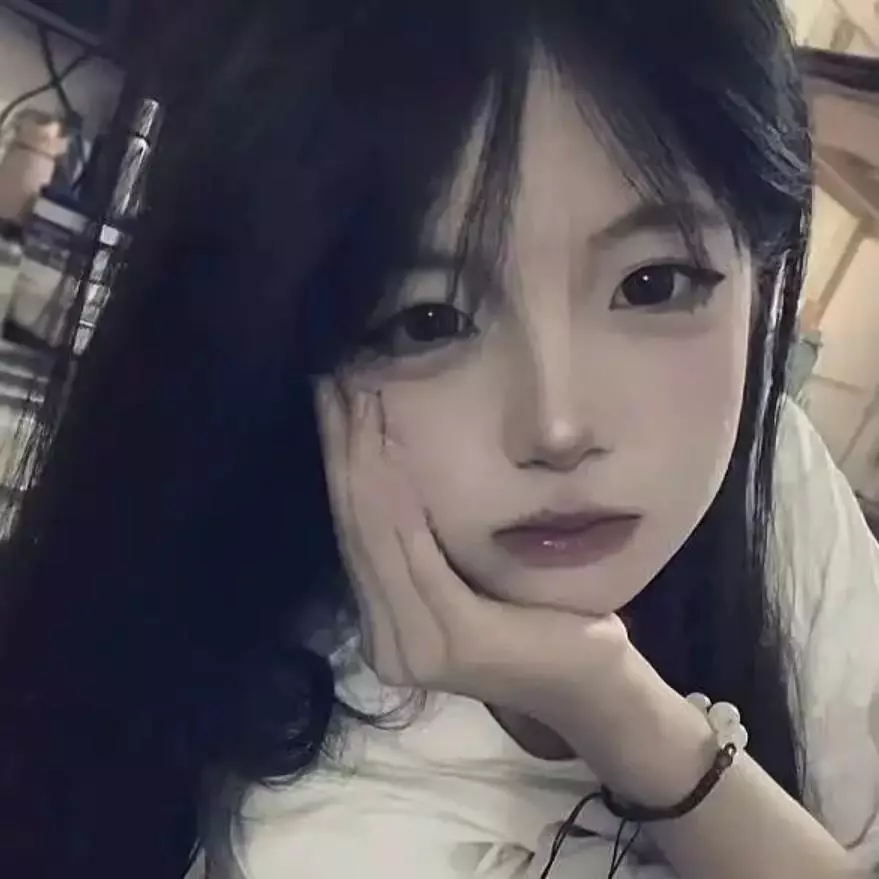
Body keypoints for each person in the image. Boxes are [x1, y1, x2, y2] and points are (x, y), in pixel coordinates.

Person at [0, 1, 878, 877]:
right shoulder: (321, 825)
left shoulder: (774, 479)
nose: (558, 426)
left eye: (653, 282)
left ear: (761, 266)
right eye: (426, 321)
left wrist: (617, 708)